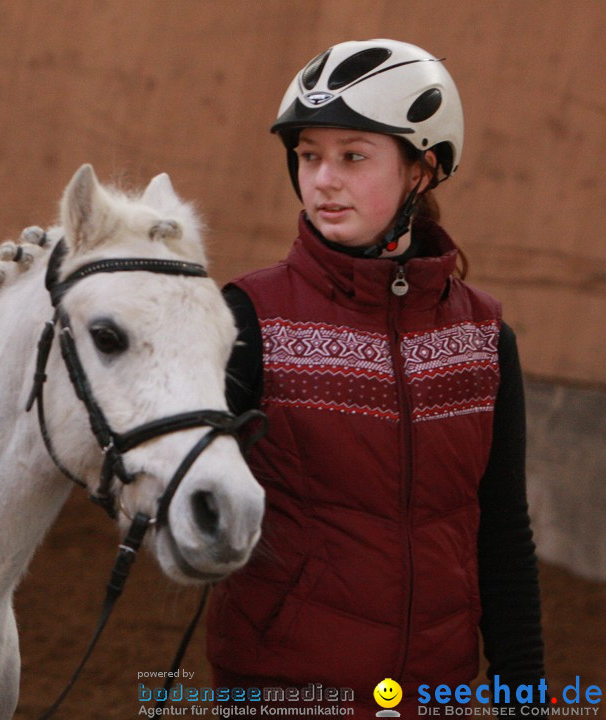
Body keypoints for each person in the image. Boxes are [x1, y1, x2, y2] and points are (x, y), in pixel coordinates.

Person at [206, 39, 545, 712]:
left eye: (352, 156)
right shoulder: (247, 319)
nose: (323, 179)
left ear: (423, 169)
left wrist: (522, 691)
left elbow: (501, 531)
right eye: (309, 157)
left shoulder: (482, 340)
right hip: (284, 692)